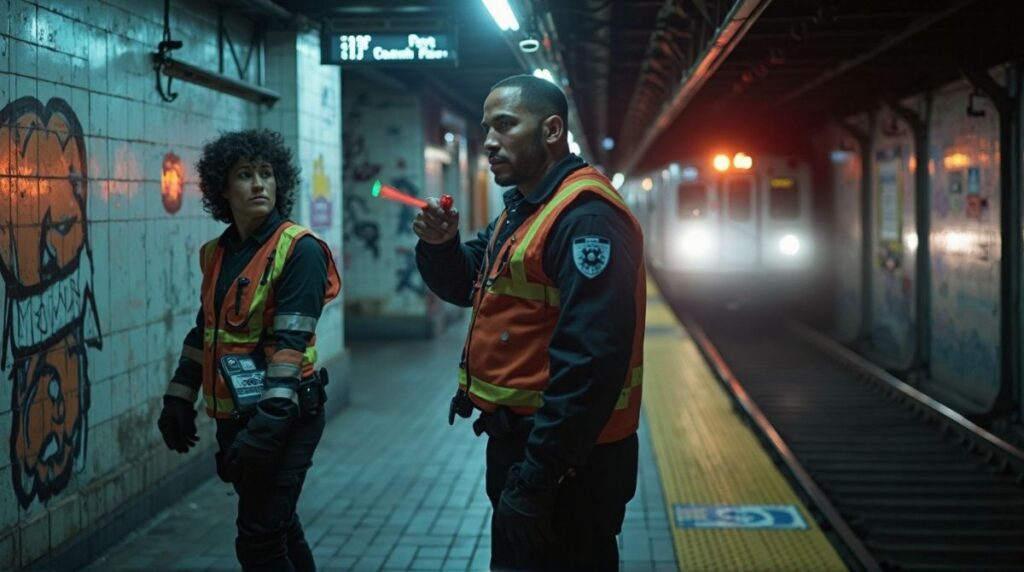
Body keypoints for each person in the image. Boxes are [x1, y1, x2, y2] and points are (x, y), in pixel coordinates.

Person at [413, 75, 646, 571]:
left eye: (505, 125)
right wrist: (439, 246)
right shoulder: (525, 209)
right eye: (486, 128)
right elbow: (469, 281)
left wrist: (539, 476)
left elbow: (591, 360)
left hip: (571, 463)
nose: (489, 141)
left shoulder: (585, 219)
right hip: (530, 447)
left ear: (552, 130)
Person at [156, 129, 340, 571]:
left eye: (266, 173)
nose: (259, 184)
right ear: (223, 188)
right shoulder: (216, 254)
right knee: (280, 529)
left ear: (279, 182)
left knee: (259, 541)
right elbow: (206, 331)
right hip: (236, 420)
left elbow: (289, 349)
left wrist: (266, 430)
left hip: (287, 419)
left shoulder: (300, 251)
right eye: (244, 174)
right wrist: (179, 397)